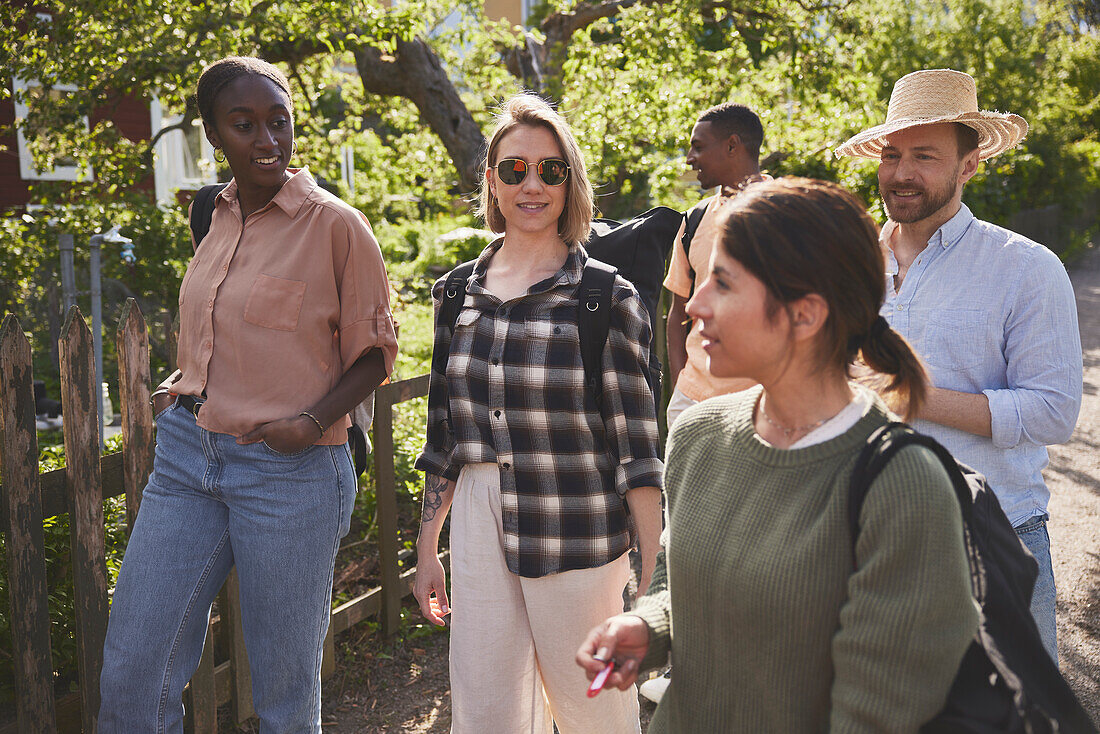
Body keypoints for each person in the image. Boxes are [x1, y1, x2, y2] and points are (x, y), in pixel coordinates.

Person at [577, 178, 978, 732]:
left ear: (805, 314)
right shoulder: (699, 435)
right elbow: (680, 587)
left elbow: (881, 716)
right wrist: (649, 628)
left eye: (722, 283)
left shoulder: (903, 486)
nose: (693, 305)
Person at [98, 56, 398, 732]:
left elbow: (375, 355)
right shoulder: (213, 212)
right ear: (213, 134)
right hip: (186, 461)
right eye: (244, 124)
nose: (267, 140)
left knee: (283, 697)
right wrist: (184, 390)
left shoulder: (336, 227)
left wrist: (312, 419)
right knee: (132, 675)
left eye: (278, 122)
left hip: (289, 472)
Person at [413, 93, 663, 734]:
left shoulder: (606, 296)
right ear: (491, 181)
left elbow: (637, 447)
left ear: (570, 182)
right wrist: (427, 546)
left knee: (597, 712)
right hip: (476, 523)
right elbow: (444, 434)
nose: (532, 185)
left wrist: (652, 571)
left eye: (551, 170)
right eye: (514, 168)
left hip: (576, 522)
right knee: (487, 711)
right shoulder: (455, 295)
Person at [835, 68, 1083, 662]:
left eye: (925, 155)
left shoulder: (1025, 268)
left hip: (994, 542)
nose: (901, 172)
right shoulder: (848, 266)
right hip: (866, 541)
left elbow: (1053, 412)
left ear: (969, 165)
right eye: (893, 154)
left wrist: (907, 396)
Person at [663, 102, 769, 428]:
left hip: (758, 401)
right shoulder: (692, 221)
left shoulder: (784, 213)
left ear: (732, 146)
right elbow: (678, 312)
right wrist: (682, 381)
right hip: (691, 399)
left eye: (698, 147)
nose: (688, 158)